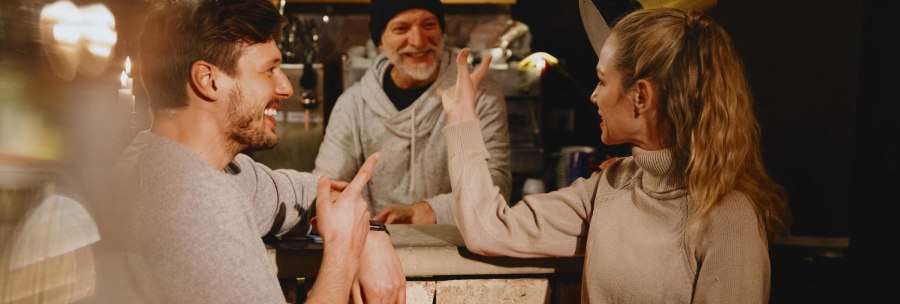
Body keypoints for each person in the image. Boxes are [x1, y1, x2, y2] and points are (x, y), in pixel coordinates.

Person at [440, 8, 791, 303]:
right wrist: (463, 120)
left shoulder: (728, 215)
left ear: (641, 96)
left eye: (602, 81)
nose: (594, 96)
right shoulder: (609, 185)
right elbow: (489, 229)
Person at [112, 0, 404, 303]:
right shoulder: (197, 205)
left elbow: (311, 194)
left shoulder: (206, 169)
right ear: (208, 81)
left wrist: (369, 230)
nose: (286, 88)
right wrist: (343, 253)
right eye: (270, 70)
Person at [313, 0, 511, 225]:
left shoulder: (478, 94)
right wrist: (337, 203)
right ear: (379, 41)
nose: (418, 41)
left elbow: (496, 187)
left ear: (442, 31)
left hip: (457, 240)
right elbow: (327, 184)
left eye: (429, 25)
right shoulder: (353, 104)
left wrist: (429, 211)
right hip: (373, 237)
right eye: (401, 28)